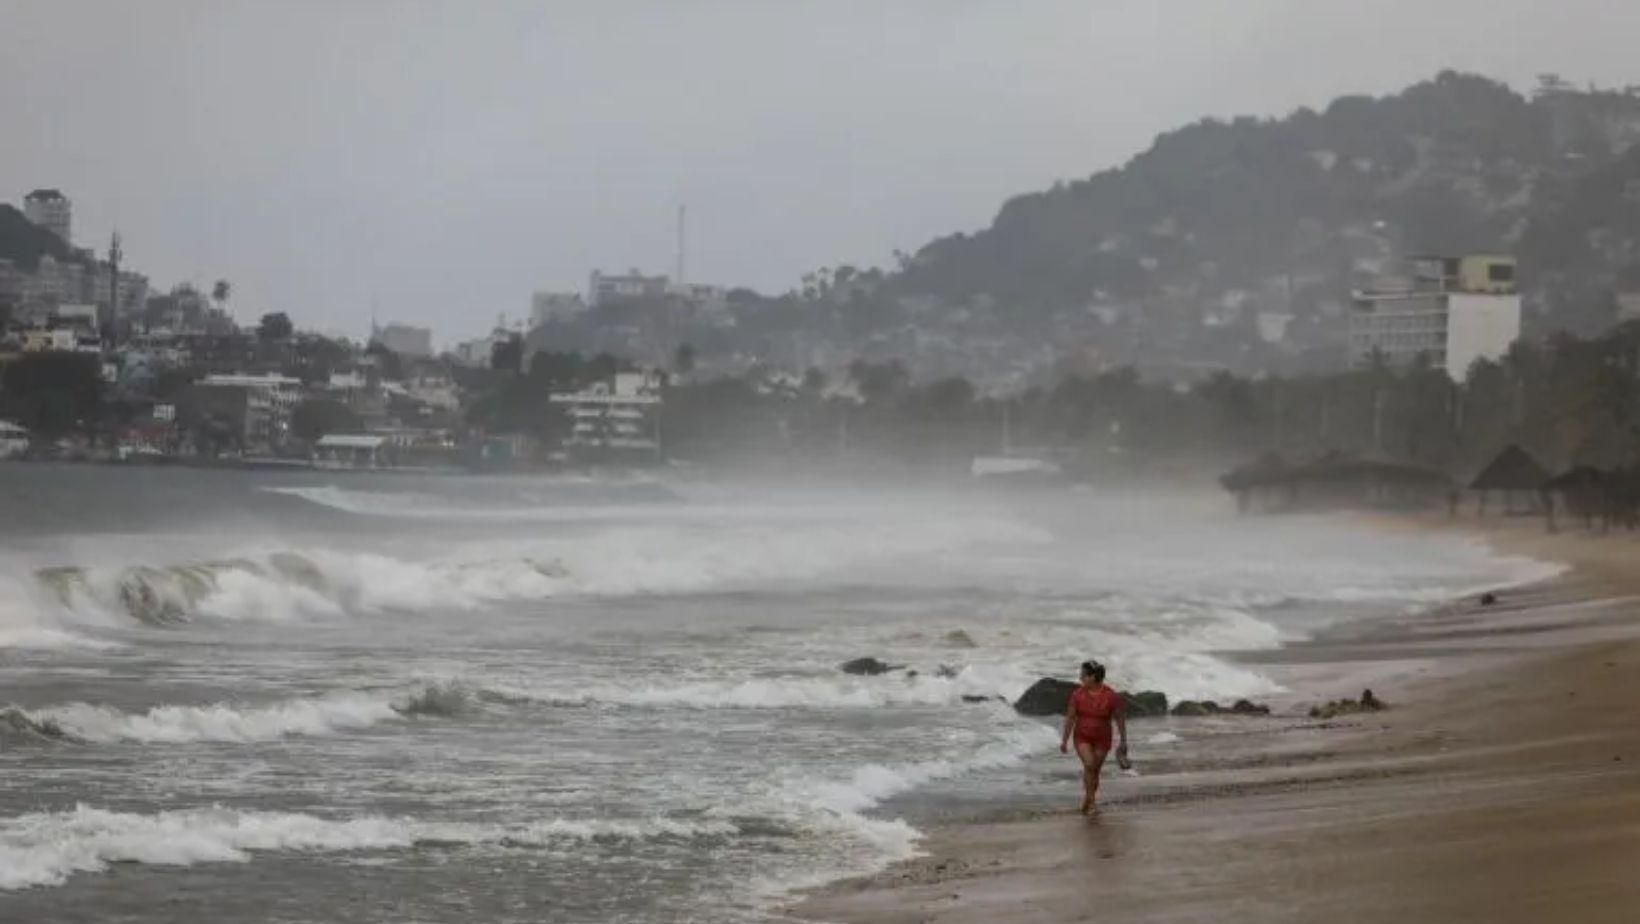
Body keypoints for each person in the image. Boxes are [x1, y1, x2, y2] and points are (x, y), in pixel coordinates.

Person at [1059, 660, 1128, 814]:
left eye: (1083, 675)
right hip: (1082, 737)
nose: (1080, 678)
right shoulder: (1077, 695)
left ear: (1093, 677)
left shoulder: (1111, 696)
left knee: (1094, 771)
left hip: (1102, 739)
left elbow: (1120, 719)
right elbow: (1070, 718)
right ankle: (1092, 803)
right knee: (1089, 765)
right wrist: (1064, 740)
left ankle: (1087, 800)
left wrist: (1123, 741)